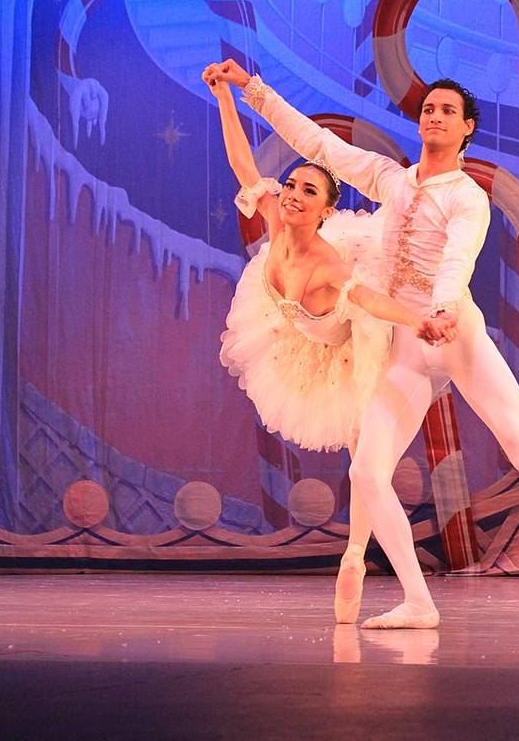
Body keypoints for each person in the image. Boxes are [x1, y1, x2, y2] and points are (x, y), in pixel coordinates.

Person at [203, 59, 519, 634]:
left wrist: (443, 308)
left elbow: (456, 262)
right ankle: (417, 601)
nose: (434, 116)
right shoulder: (389, 178)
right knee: (366, 471)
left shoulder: (468, 198)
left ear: (466, 129)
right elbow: (314, 140)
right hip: (406, 343)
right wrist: (250, 87)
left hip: (457, 336)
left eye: (447, 111)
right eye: (428, 109)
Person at [203, 69, 453, 625]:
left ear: (325, 212)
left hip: (357, 337)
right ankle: (360, 556)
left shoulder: (328, 264)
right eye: (290, 185)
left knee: (365, 450)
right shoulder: (273, 215)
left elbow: (367, 299)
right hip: (296, 338)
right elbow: (245, 164)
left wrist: (419, 321)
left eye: (307, 192)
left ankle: (356, 556)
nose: (291, 195)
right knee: (358, 451)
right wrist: (224, 97)